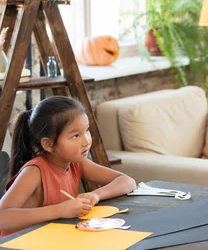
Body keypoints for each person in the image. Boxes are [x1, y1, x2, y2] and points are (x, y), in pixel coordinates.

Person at [0, 96, 137, 236]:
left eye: (87, 130)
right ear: (48, 144)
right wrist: (59, 210)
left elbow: (127, 181)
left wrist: (95, 195)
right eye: (76, 136)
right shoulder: (34, 171)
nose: (86, 141)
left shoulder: (76, 163)